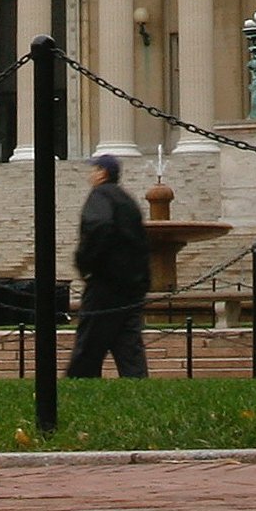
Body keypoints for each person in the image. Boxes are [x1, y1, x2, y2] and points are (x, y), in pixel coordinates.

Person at [66, 153, 151, 379]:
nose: (90, 174)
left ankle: (78, 386)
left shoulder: (100, 195)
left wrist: (86, 263)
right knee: (128, 346)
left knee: (89, 345)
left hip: (105, 283)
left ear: (102, 172)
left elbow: (99, 226)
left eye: (93, 169)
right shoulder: (127, 200)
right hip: (131, 286)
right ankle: (137, 385)